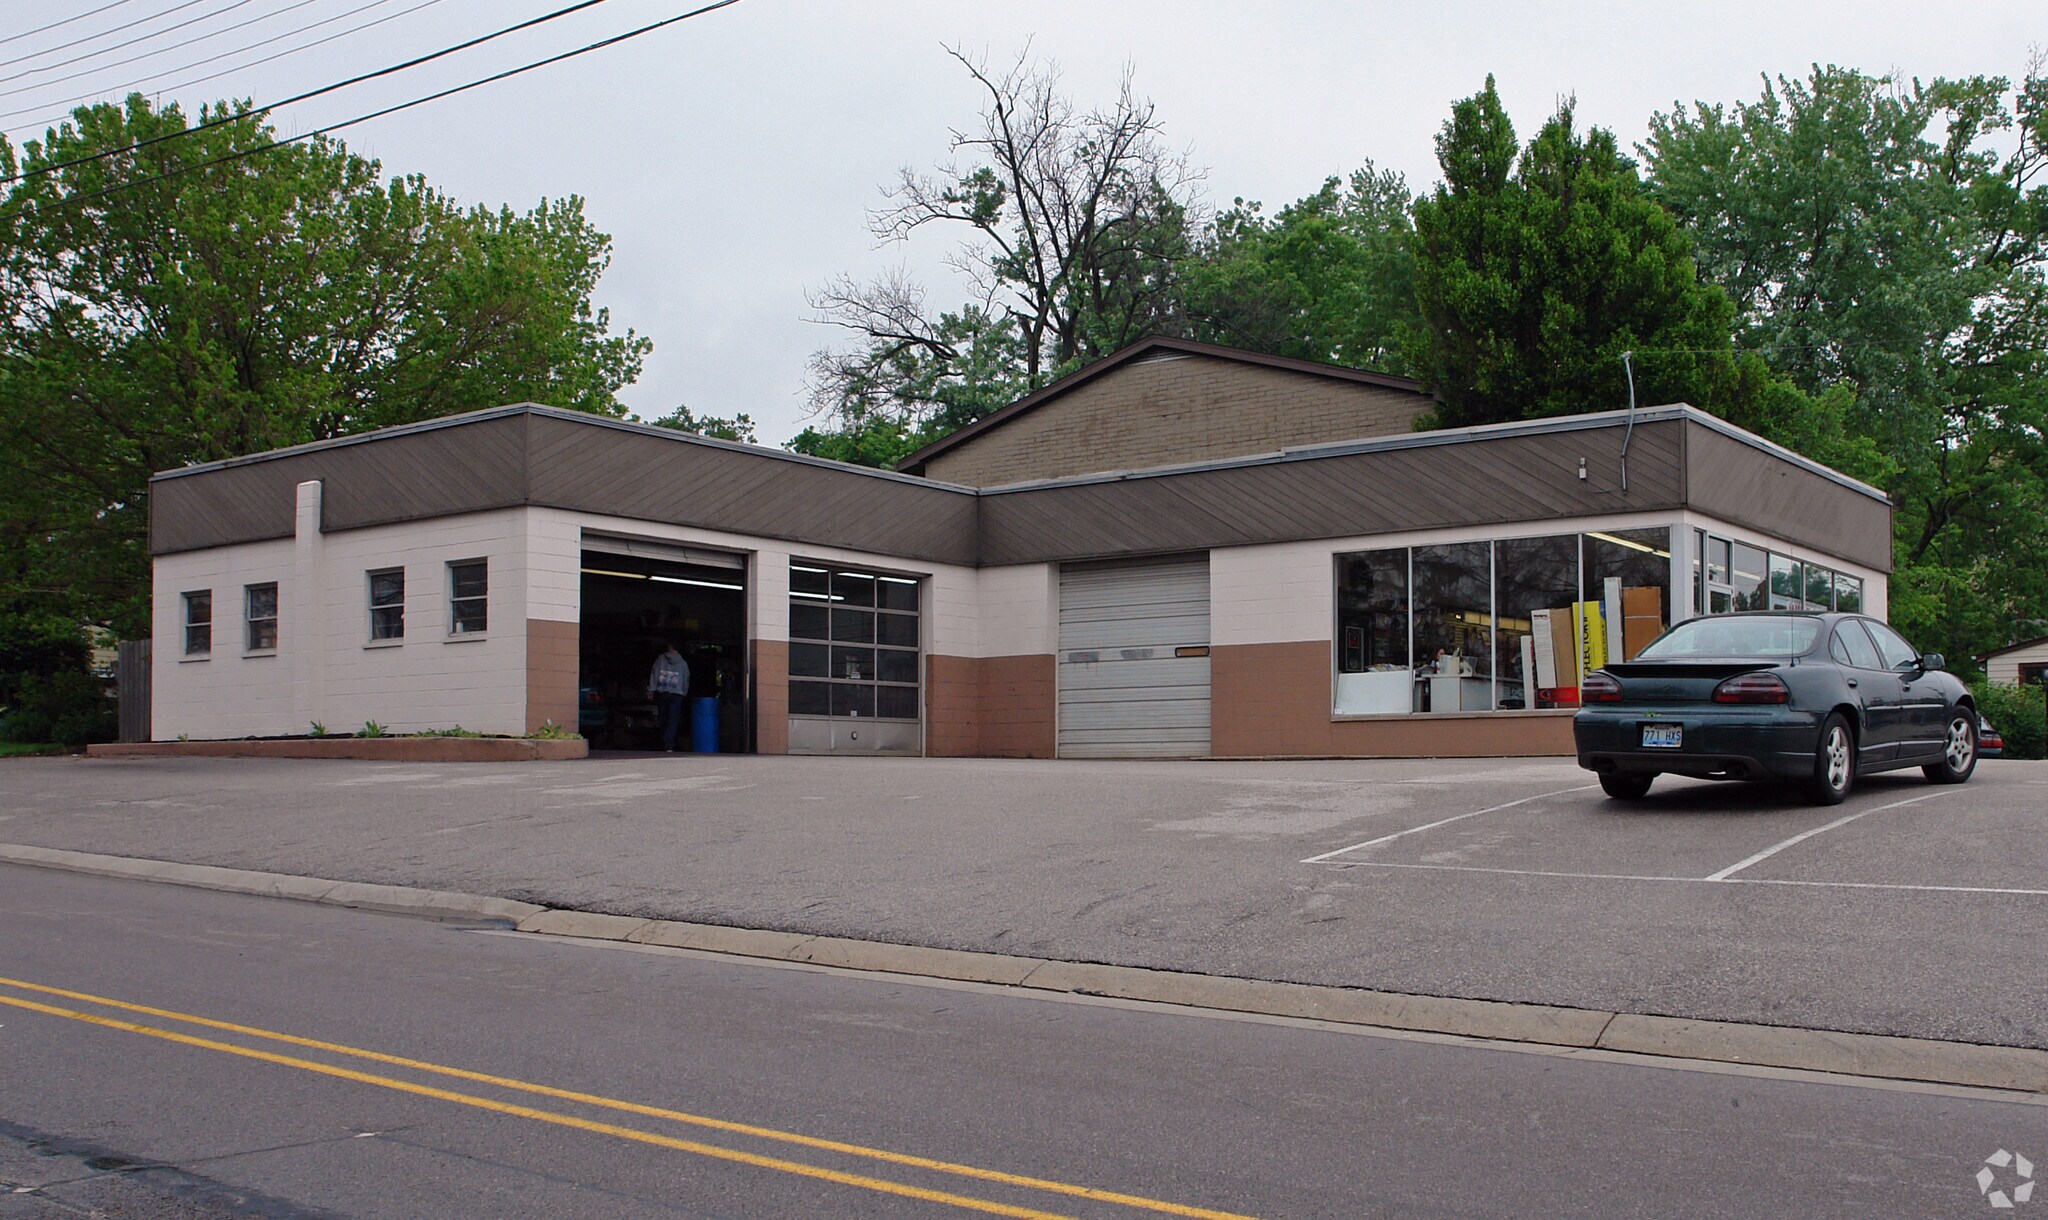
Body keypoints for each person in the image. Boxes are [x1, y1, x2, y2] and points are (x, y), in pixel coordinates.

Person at [646, 642, 689, 751]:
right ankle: (669, 742)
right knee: (673, 720)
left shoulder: (660, 659)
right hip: (677, 695)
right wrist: (684, 692)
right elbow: (686, 679)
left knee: (663, 718)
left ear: (670, 646)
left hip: (663, 693)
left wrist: (651, 689)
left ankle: (666, 740)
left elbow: (654, 674)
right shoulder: (683, 663)